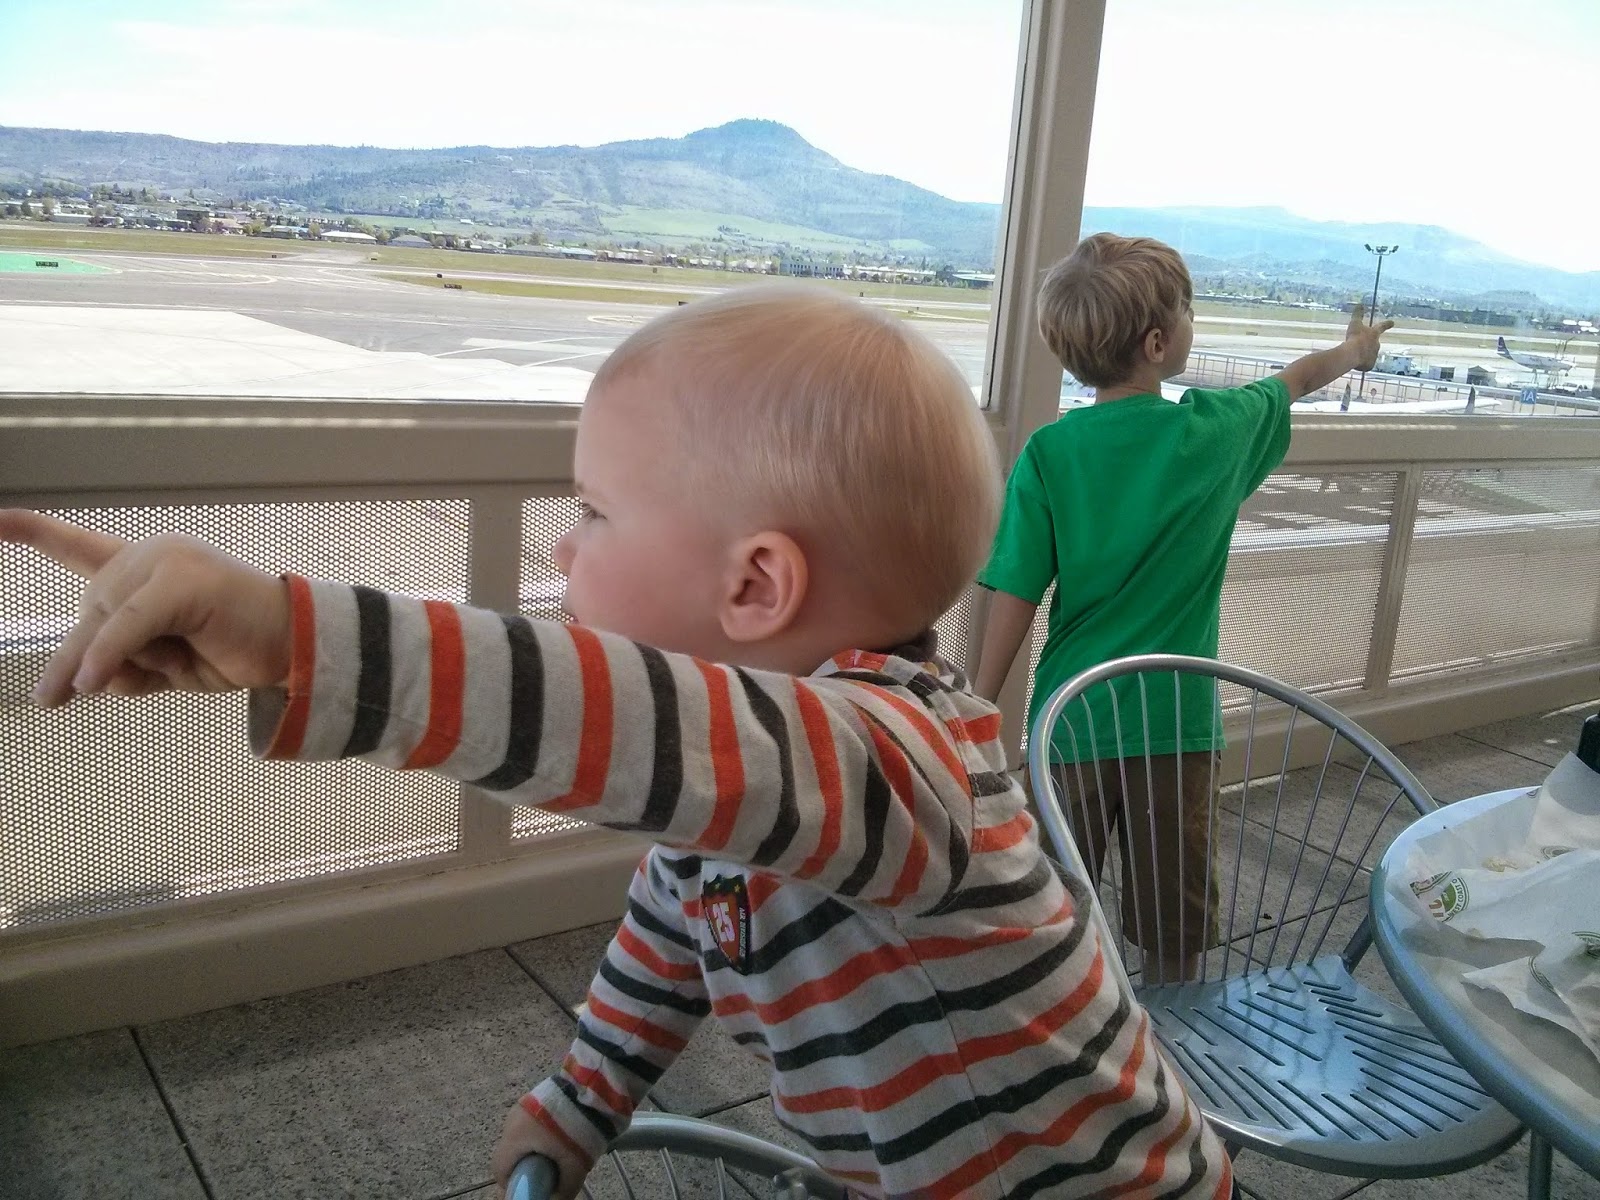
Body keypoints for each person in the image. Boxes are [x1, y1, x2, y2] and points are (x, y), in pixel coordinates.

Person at [2, 284, 1234, 1200]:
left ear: (754, 585)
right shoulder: (734, 801)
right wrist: (581, 1099)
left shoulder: (895, 768)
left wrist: (297, 636)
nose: (561, 544)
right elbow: (670, 945)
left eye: (592, 511)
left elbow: (621, 719)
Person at [973, 234, 1392, 984]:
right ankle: (1173, 1032)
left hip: (1070, 722)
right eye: (1188, 312)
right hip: (1174, 724)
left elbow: (1016, 593)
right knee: (1175, 920)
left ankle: (1069, 1026)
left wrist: (977, 706)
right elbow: (1295, 379)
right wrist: (1355, 351)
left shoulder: (1049, 454)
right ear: (1158, 343)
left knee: (1052, 911)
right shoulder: (1215, 432)